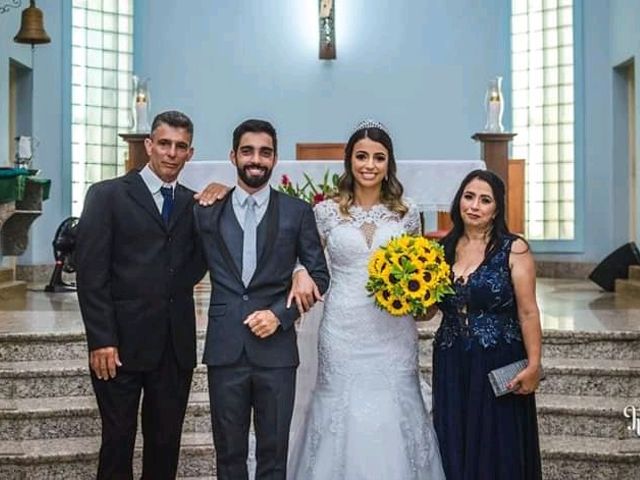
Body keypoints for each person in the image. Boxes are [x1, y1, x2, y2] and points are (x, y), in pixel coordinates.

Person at [287, 120, 445, 479]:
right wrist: (299, 272)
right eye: (361, 156)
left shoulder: (407, 213)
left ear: (389, 163)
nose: (369, 165)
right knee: (341, 409)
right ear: (349, 161)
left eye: (378, 157)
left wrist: (422, 295)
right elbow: (306, 261)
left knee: (394, 408)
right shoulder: (326, 212)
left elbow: (417, 266)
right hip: (342, 329)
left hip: (393, 329)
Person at [76, 110, 215, 479]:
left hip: (174, 347)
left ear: (190, 153)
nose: (171, 152)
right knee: (118, 441)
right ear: (149, 145)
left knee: (166, 445)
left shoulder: (193, 204)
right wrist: (101, 339)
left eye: (180, 146)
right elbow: (91, 275)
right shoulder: (107, 196)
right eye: (164, 143)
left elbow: (195, 266)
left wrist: (223, 194)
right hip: (119, 346)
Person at [193, 119, 330, 480]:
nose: (256, 159)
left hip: (277, 352)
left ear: (275, 158)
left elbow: (319, 275)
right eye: (248, 151)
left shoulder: (296, 211)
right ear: (233, 156)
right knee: (229, 454)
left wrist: (280, 315)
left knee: (273, 455)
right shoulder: (207, 209)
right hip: (225, 347)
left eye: (265, 152)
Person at [433, 169, 543, 479]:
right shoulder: (442, 249)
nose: (474, 206)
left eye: (485, 200)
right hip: (451, 359)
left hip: (497, 360)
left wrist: (534, 365)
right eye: (469, 197)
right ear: (459, 201)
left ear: (496, 208)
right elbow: (429, 311)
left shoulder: (514, 248)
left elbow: (528, 312)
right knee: (454, 440)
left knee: (498, 446)